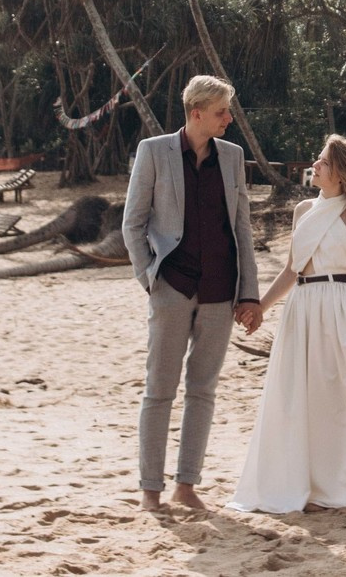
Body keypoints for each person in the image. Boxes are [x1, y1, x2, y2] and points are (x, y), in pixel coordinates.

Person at [122, 75, 262, 513]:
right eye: (222, 111)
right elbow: (133, 223)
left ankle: (187, 485)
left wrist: (251, 293)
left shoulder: (233, 156)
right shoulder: (154, 151)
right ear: (197, 111)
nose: (229, 119)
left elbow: (242, 228)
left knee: (203, 389)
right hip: (172, 287)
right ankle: (150, 490)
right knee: (159, 390)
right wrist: (150, 278)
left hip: (222, 291)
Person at [231, 133, 346, 515]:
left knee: (336, 399)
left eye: (322, 162)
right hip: (301, 307)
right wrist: (261, 307)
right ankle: (298, 484)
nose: (314, 166)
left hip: (340, 307)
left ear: (341, 174)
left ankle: (337, 487)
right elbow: (291, 269)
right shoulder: (303, 210)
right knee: (294, 395)